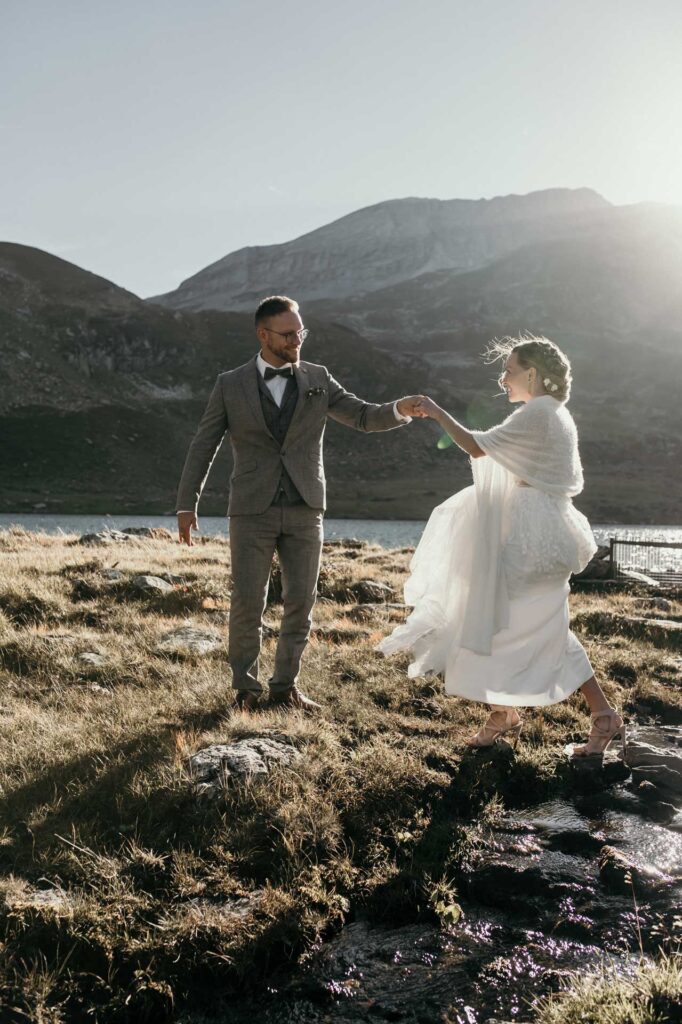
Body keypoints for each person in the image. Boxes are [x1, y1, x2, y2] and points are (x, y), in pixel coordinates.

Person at [378, 335, 625, 757]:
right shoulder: (553, 414)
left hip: (531, 538)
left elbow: (476, 446)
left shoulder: (539, 414)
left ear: (532, 373)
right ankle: (585, 715)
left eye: (509, 370)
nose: (503, 378)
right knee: (534, 623)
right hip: (546, 532)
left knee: (488, 614)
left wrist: (437, 413)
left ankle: (514, 711)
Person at [176, 295, 424, 713]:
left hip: (306, 508)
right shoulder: (229, 384)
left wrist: (399, 409)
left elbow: (363, 416)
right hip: (251, 509)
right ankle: (246, 689)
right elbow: (204, 444)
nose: (297, 341)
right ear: (263, 334)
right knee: (248, 602)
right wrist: (187, 504)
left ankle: (285, 687)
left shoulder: (318, 378)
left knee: (301, 602)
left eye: (300, 332)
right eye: (289, 334)